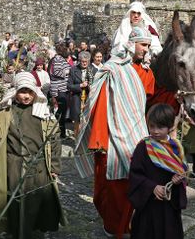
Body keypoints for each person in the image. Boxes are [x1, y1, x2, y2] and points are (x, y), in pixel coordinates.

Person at [74, 26, 150, 238]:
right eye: (143, 45)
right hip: (111, 140)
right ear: (132, 43)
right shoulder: (113, 69)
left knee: (129, 187)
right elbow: (101, 103)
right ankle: (115, 227)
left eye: (148, 46)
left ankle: (126, 225)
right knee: (112, 190)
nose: (146, 50)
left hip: (134, 138)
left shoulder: (138, 70)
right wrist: (99, 139)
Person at [0, 72, 66, 238]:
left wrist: (54, 166)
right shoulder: (5, 115)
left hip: (39, 167)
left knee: (36, 202)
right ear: (15, 92)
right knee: (15, 201)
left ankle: (31, 232)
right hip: (14, 165)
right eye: (22, 92)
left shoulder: (44, 115)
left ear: (35, 93)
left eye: (29, 92)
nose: (26, 96)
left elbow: (54, 141)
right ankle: (18, 232)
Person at [128, 103, 188, 239]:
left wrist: (178, 179)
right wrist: (152, 187)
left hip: (169, 205)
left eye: (160, 127)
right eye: (152, 126)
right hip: (148, 203)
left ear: (170, 126)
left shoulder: (176, 147)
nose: (155, 131)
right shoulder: (143, 147)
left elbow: (183, 172)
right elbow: (134, 174)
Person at [68, 51, 93, 138]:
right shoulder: (73, 69)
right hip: (77, 98)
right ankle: (77, 140)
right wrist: (80, 85)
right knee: (77, 120)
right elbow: (69, 86)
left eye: (86, 61)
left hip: (89, 98)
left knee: (89, 120)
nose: (84, 63)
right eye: (82, 61)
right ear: (79, 60)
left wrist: (90, 86)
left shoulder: (93, 70)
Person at [49, 43, 71, 138]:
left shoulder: (59, 59)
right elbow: (56, 72)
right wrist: (68, 72)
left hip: (61, 88)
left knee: (62, 110)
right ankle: (59, 131)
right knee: (61, 111)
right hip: (60, 89)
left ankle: (60, 131)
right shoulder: (58, 59)